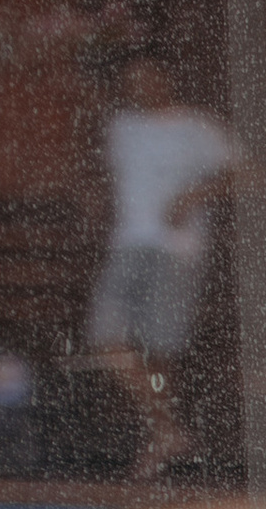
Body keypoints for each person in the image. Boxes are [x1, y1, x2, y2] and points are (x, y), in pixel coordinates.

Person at [87, 53, 238, 476]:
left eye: (148, 77)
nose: (141, 86)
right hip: (127, 246)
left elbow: (246, 173)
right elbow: (98, 171)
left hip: (176, 249)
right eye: (132, 80)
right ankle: (167, 429)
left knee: (159, 352)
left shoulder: (197, 127)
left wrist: (193, 195)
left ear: (165, 78)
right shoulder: (121, 127)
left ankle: (162, 436)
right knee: (106, 338)